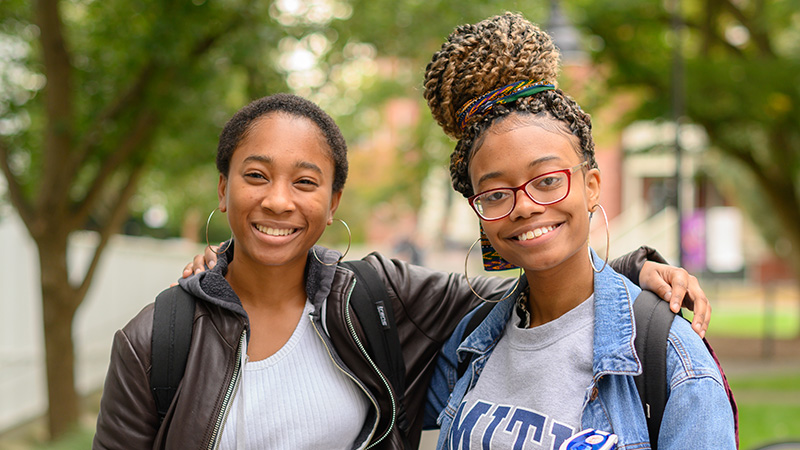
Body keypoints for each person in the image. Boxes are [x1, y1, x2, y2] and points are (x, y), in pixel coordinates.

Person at [94, 93, 709, 450]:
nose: (279, 200)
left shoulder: (373, 299)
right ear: (222, 189)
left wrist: (636, 269)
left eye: (306, 182)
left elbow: (533, 275)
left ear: (333, 202)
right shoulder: (157, 342)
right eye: (256, 175)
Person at [421, 12, 736, 449]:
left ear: (591, 186)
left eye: (548, 180)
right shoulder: (471, 340)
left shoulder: (671, 359)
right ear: (479, 212)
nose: (526, 207)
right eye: (495, 193)